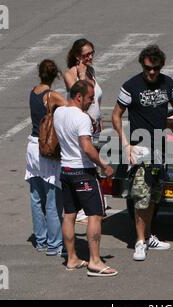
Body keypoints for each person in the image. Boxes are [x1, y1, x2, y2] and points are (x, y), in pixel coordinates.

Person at [112, 45, 173, 261]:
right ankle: (139, 242)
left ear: (160, 66)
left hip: (160, 149)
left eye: (155, 68)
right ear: (142, 65)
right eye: (147, 68)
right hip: (140, 148)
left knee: (154, 196)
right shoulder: (131, 86)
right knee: (141, 198)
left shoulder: (169, 83)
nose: (151, 72)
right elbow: (117, 115)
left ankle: (148, 236)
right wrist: (125, 144)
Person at [54, 80, 117, 276]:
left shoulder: (59, 112)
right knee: (95, 215)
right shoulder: (81, 118)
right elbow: (87, 147)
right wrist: (104, 165)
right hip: (83, 172)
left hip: (65, 170)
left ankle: (71, 258)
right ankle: (95, 261)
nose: (92, 102)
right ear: (79, 96)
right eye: (90, 98)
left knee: (69, 215)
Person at [25, 59, 67, 256]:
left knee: (36, 197)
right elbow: (71, 108)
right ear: (55, 75)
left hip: (32, 146)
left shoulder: (33, 91)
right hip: (46, 149)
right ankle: (54, 244)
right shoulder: (52, 96)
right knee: (52, 198)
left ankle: (40, 240)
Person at [64, 38, 104, 225]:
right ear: (76, 55)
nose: (90, 57)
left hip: (94, 124)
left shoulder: (91, 71)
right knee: (83, 162)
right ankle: (79, 207)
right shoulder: (70, 74)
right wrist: (80, 75)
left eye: (91, 53)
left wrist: (100, 121)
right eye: (86, 54)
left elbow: (96, 100)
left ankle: (94, 198)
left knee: (93, 163)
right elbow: (78, 96)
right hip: (81, 125)